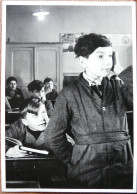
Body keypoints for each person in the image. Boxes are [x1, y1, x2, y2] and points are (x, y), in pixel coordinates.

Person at [44, 33, 133, 189]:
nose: (107, 61)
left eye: (110, 56)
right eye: (100, 56)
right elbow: (52, 137)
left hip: (125, 173)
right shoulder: (68, 94)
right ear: (83, 61)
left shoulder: (119, 87)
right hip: (86, 175)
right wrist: (76, 160)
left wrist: (120, 70)